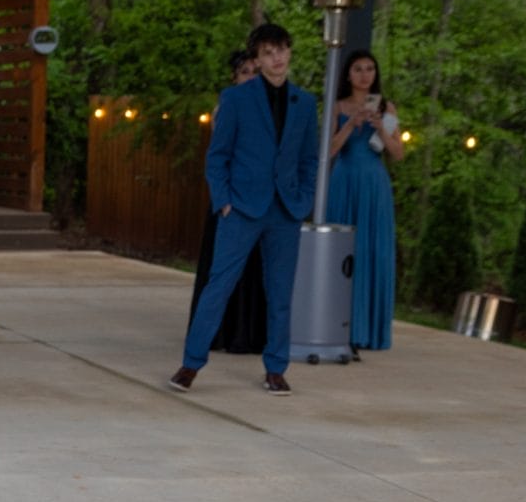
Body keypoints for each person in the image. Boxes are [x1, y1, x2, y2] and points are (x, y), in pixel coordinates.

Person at [169, 21, 319, 396]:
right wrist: (224, 203)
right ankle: (191, 364)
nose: (277, 58)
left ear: (290, 53)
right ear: (257, 58)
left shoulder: (305, 103)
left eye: (282, 50)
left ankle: (276, 368)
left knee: (281, 293)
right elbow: (216, 158)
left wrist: (303, 200)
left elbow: (309, 160)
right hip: (241, 210)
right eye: (268, 53)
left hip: (285, 211)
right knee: (218, 286)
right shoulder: (236, 99)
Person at [185, 46, 268, 357]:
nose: (250, 78)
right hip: (231, 198)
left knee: (254, 267)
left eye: (255, 72)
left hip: (260, 200)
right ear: (234, 77)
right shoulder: (225, 108)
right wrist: (225, 200)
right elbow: (220, 156)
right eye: (244, 72)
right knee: (222, 266)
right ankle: (217, 332)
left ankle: (249, 333)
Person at [326, 50, 404, 354]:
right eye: (358, 69)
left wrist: (380, 128)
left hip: (374, 184)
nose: (364, 75)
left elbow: (398, 153)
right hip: (345, 180)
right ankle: (338, 325)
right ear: (348, 74)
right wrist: (350, 124)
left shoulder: (387, 107)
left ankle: (369, 329)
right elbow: (329, 151)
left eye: (370, 69)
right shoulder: (338, 107)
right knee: (344, 253)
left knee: (373, 250)